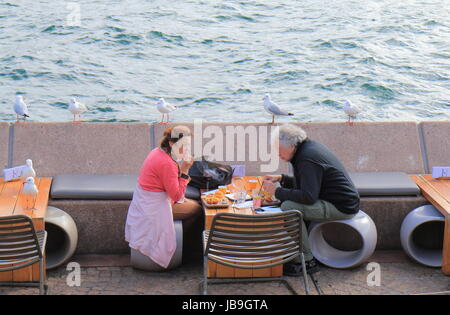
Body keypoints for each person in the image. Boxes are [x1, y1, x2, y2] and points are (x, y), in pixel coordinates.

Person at [263, 124, 360, 275]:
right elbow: (308, 183)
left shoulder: (306, 159)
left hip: (341, 206)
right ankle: (299, 252)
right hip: (338, 200)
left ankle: (307, 261)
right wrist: (282, 179)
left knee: (289, 207)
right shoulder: (307, 149)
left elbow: (308, 196)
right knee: (288, 201)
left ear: (292, 146)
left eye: (279, 149)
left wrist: (277, 191)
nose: (278, 154)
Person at [125, 125, 202, 269]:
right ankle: (183, 248)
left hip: (144, 201)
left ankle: (183, 245)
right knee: (197, 209)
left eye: (188, 146)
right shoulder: (167, 163)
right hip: (153, 207)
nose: (186, 150)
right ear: (172, 144)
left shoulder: (157, 152)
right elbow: (177, 195)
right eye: (183, 146)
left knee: (193, 204)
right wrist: (185, 170)